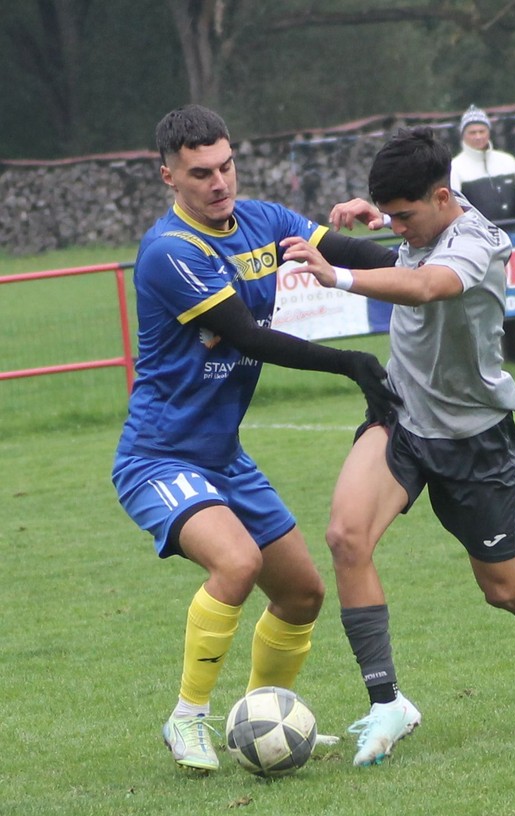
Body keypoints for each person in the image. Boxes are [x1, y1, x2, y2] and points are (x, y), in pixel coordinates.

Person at [280, 126, 515, 767]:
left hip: (473, 439)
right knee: (346, 537)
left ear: (442, 196)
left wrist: (339, 274)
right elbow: (410, 252)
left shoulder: (476, 242)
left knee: (505, 589)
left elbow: (429, 286)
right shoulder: (422, 225)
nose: (397, 228)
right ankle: (387, 701)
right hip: (402, 417)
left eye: (404, 216)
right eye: (389, 216)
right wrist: (384, 220)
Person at [111, 104, 401, 772]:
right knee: (237, 563)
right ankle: (188, 719)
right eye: (200, 172)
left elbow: (347, 252)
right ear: (169, 177)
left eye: (226, 165)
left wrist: (424, 256)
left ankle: (262, 722)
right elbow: (246, 334)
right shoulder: (170, 252)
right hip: (158, 456)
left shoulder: (264, 221)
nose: (219, 182)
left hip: (223, 459)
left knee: (302, 593)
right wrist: (353, 363)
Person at [450, 105, 515, 365]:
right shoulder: (456, 167)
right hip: (479, 248)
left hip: (511, 245)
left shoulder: (507, 160)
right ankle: (486, 361)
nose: (478, 136)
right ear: (463, 136)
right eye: (472, 132)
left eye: (482, 130)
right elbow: (455, 205)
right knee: (484, 305)